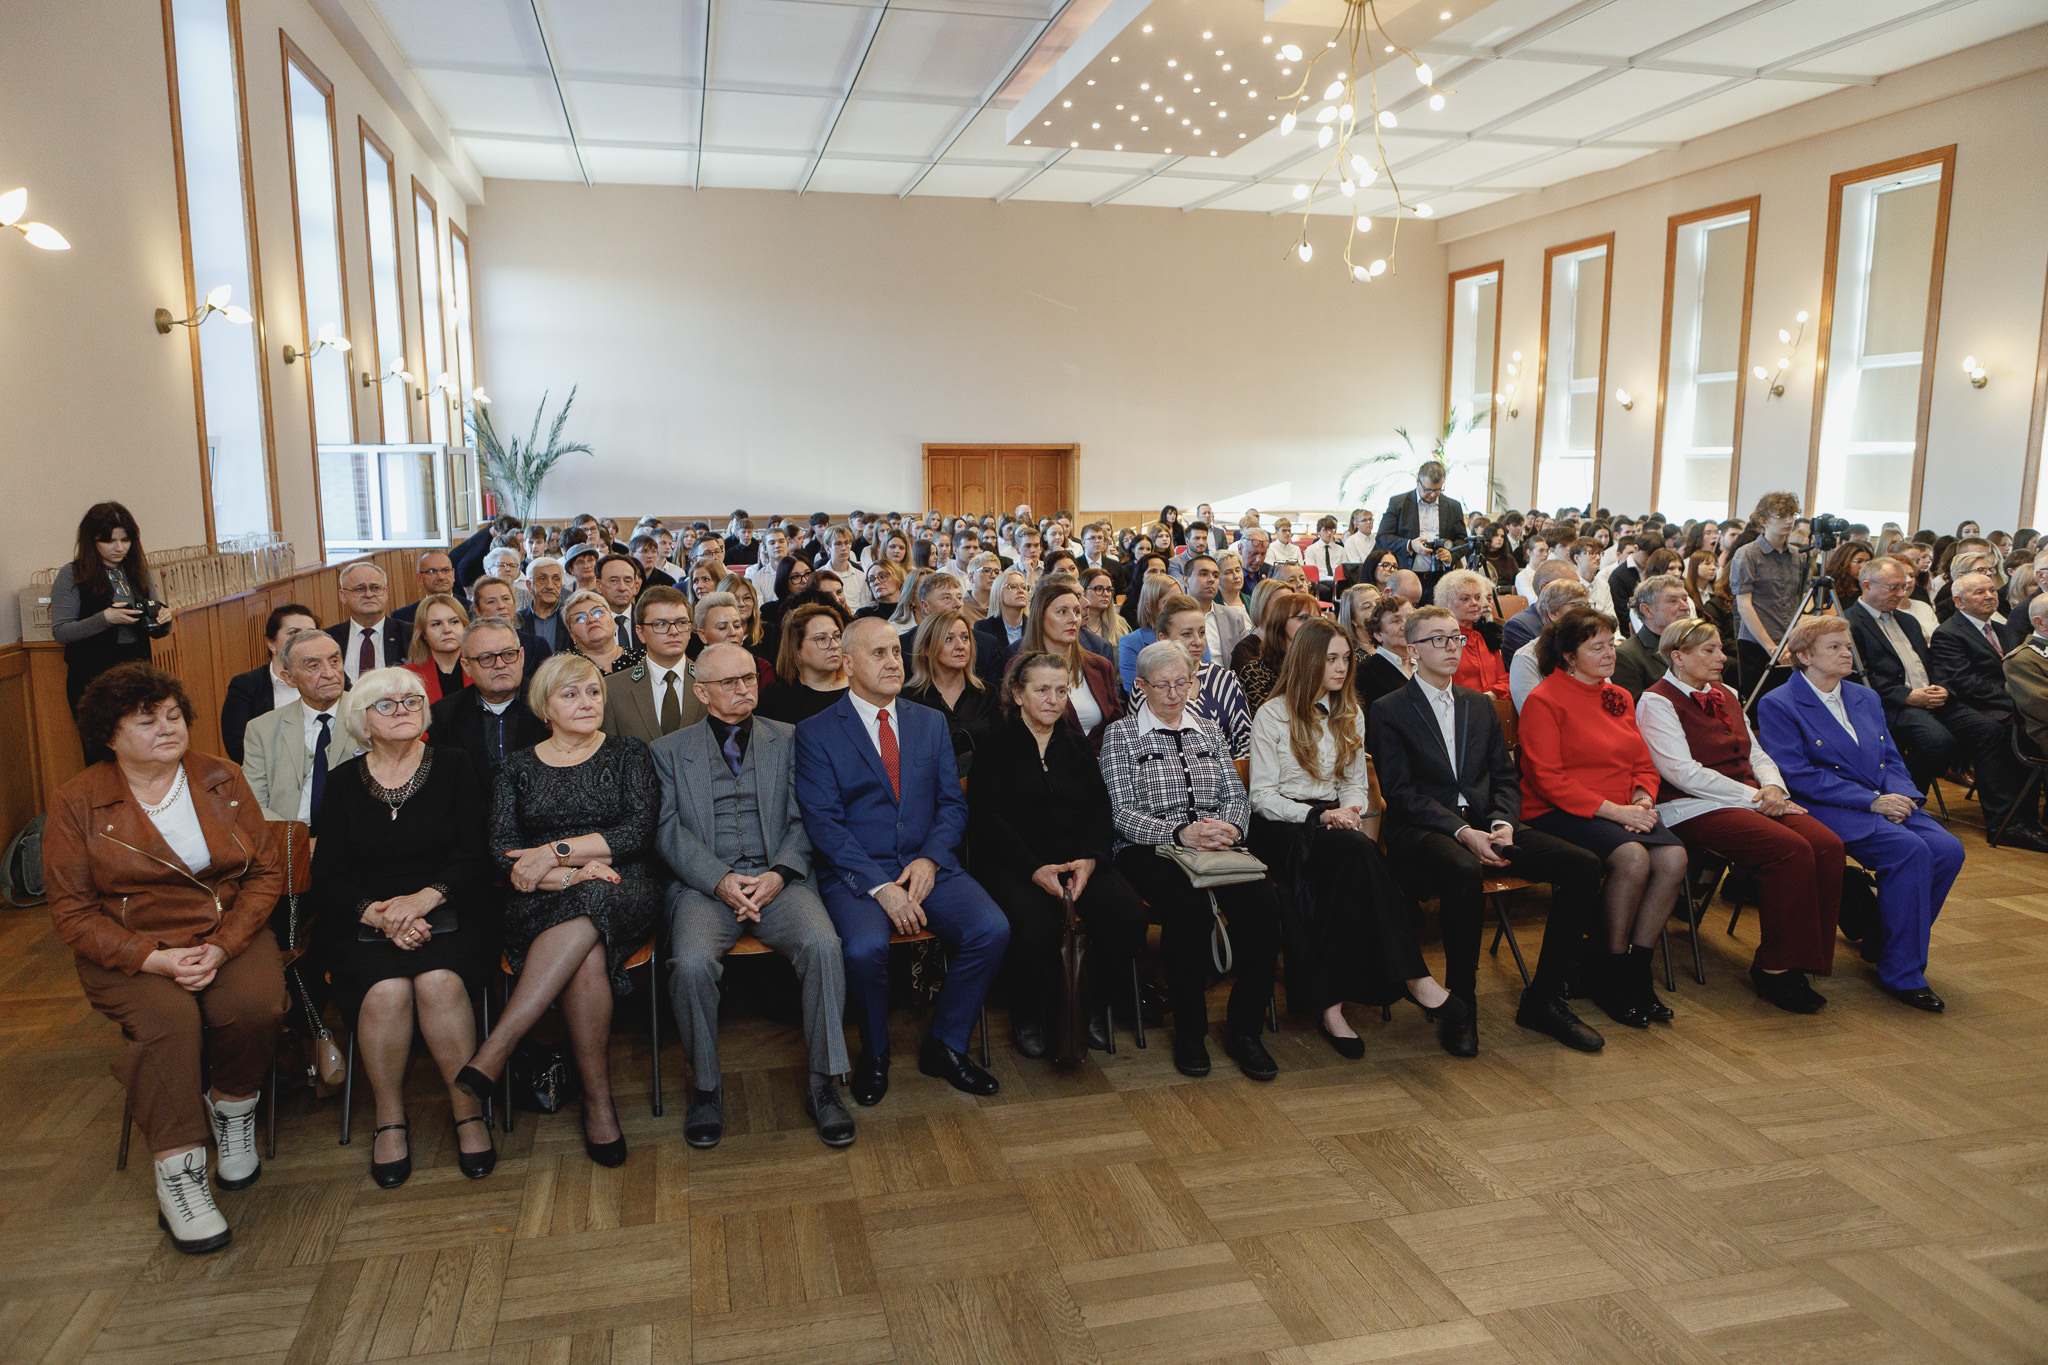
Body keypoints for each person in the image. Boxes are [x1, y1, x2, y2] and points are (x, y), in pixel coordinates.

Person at [43, 664, 285, 1254]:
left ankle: (232, 1111)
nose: (168, 729)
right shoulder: (77, 800)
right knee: (169, 1024)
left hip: (224, 929)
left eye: (174, 716)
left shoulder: (221, 776)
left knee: (256, 1005)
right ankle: (180, 1174)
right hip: (128, 945)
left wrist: (223, 944)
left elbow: (265, 873)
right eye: (147, 722)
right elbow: (73, 914)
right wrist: (154, 960)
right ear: (110, 734)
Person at [456, 653, 662, 1167]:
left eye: (593, 691)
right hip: (541, 893)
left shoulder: (629, 754)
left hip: (621, 883)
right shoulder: (516, 767)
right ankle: (599, 1103)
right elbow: (504, 853)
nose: (587, 702)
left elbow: (635, 834)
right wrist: (569, 874)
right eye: (570, 694)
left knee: (594, 900)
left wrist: (555, 852)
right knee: (587, 954)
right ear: (544, 707)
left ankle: (498, 1046)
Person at [1369, 607, 1605, 1056]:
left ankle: (1544, 998)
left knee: (1582, 865)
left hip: (1487, 823)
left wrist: (1501, 824)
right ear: (1413, 650)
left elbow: (1505, 778)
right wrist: (1463, 832)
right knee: (1463, 868)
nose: (1451, 647)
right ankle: (1462, 1003)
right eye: (1438, 639)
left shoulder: (1478, 704)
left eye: (1455, 638)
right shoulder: (1389, 709)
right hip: (1424, 829)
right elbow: (1400, 793)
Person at [793, 618, 1008, 1104]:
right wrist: (881, 887)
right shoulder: (815, 732)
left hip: (927, 866)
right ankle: (875, 1054)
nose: (894, 662)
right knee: (864, 950)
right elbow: (825, 826)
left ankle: (945, 1044)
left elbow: (952, 805)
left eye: (896, 651)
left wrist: (931, 859)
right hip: (858, 875)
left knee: (991, 929)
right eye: (879, 653)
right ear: (848, 664)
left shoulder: (928, 722)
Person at [651, 642, 854, 1150]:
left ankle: (824, 1083)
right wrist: (719, 879)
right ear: (701, 692)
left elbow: (808, 817)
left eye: (748, 678)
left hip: (778, 879)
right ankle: (706, 1088)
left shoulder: (790, 738)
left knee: (824, 945)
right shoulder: (668, 751)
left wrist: (780, 873)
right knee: (690, 963)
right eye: (729, 682)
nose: (744, 689)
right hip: (705, 888)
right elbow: (669, 832)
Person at [311, 668, 495, 1186]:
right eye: (386, 704)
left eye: (412, 701)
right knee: (387, 991)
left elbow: (475, 852)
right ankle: (389, 1119)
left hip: (452, 906)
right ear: (362, 721)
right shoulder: (343, 782)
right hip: (365, 920)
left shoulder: (455, 765)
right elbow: (328, 875)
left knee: (438, 982)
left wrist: (420, 902)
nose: (403, 710)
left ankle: (468, 1112)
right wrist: (380, 915)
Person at [1249, 620, 1464, 1058]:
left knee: (1349, 868)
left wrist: (1346, 810)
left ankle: (1332, 1008)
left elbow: (1353, 783)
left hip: (1334, 825)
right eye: (1331, 658)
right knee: (1359, 853)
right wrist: (1320, 816)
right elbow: (1262, 798)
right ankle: (1414, 977)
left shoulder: (1349, 711)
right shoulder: (1272, 714)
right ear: (1308, 660)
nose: (1342, 667)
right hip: (1282, 826)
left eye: (1346, 658)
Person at [1636, 618, 1845, 1012]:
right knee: (1789, 850)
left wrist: (1774, 787)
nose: (1722, 657)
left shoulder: (1726, 692)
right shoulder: (1656, 701)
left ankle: (1805, 957)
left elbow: (1756, 752)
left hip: (1748, 796)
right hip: (1690, 805)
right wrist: (1756, 797)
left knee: (1827, 845)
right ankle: (1774, 967)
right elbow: (1682, 773)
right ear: (1678, 657)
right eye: (1709, 650)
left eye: (1720, 648)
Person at [1757, 617, 1964, 1011]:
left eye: (1847, 646)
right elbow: (1798, 774)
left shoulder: (1864, 696)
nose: (1846, 654)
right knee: (1910, 851)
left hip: (1884, 798)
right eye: (1834, 647)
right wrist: (1870, 802)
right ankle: (1902, 971)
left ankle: (1885, 939)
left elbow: (1891, 757)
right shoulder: (1779, 703)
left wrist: (1902, 796)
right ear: (1804, 656)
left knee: (1949, 850)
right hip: (1828, 807)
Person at [1099, 641, 1282, 1081]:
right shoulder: (1121, 735)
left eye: (1182, 683)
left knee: (1263, 904)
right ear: (1141, 687)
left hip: (1216, 845)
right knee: (1188, 909)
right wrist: (1180, 833)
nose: (1174, 694)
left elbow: (1235, 795)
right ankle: (1191, 1032)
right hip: (1150, 847)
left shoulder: (1209, 730)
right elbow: (1120, 814)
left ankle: (1245, 1030)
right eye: (1162, 685)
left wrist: (1232, 829)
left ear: (1194, 682)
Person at [969, 651, 1149, 1058]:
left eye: (1061, 690)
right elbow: (987, 819)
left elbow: (1100, 808)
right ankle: (1028, 1014)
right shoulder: (994, 744)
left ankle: (1088, 1007)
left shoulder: (1076, 745)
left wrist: (1090, 859)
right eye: (1042, 690)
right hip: (1017, 862)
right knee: (1036, 926)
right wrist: (1033, 868)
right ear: (1018, 694)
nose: (1053, 700)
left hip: (1076, 859)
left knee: (1129, 918)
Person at [1520, 605, 1689, 1029]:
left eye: (1611, 645)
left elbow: (1642, 763)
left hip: (1625, 809)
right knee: (1633, 857)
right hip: (1559, 810)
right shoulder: (1545, 699)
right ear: (1569, 656)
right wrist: (1617, 812)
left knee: (1674, 858)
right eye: (1596, 647)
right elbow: (1546, 778)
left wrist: (1643, 800)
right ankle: (1609, 970)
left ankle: (1637, 968)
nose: (1610, 653)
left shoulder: (1619, 696)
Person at [1928, 570, 2048, 849]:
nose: (1989, 596)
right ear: (1958, 601)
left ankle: (2027, 818)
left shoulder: (2003, 629)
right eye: (1979, 592)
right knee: (1998, 732)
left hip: (2000, 702)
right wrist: (2016, 699)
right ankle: (2004, 822)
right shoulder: (1948, 633)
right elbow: (1965, 683)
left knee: (2028, 726)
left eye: (1992, 590)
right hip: (1963, 705)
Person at [50, 502, 176, 726]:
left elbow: (155, 625)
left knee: (144, 736)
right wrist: (106, 619)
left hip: (138, 671)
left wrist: (163, 618)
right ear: (91, 541)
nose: (119, 548)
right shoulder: (72, 574)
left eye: (125, 540)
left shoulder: (137, 570)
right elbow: (62, 632)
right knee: (104, 740)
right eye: (109, 541)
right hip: (93, 677)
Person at [241, 628, 354, 824]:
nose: (329, 673)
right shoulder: (262, 730)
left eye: (334, 661)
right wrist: (293, 838)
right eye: (313, 666)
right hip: (289, 836)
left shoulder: (369, 716)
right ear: (289, 679)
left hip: (355, 837)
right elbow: (253, 804)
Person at [430, 617, 550, 780]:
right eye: (486, 658)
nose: (500, 664)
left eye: (509, 654)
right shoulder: (444, 715)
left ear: (521, 657)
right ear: (466, 666)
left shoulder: (548, 705)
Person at [1012, 577, 1122, 752]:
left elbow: (1116, 724)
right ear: (1040, 617)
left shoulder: (1101, 666)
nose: (1073, 619)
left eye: (1077, 612)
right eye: (1062, 612)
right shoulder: (1021, 667)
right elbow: (1015, 730)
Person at [1152, 594, 1255, 763]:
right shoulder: (1149, 686)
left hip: (1227, 771)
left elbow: (1245, 739)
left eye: (1202, 632)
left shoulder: (1226, 679)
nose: (1198, 641)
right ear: (1163, 638)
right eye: (1187, 634)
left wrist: (1224, 771)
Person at [901, 609, 1000, 770]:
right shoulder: (908, 700)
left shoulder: (988, 694)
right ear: (927, 648)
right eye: (949, 639)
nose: (960, 646)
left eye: (965, 638)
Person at [219, 603, 318, 765]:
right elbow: (237, 745)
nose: (304, 640)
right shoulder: (246, 686)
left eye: (311, 634)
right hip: (270, 771)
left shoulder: (329, 677)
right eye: (294, 633)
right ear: (271, 643)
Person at [600, 586, 700, 743]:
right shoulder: (613, 689)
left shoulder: (711, 681)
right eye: (660, 624)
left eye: (681, 622)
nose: (674, 631)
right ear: (640, 632)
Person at [1728, 492, 1805, 690]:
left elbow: (1802, 601)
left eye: (1792, 515)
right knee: (1758, 698)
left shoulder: (1798, 556)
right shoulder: (1747, 554)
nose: (1789, 521)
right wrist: (1771, 646)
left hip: (1789, 640)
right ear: (1763, 521)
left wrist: (1791, 641)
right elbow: (1744, 605)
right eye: (1781, 516)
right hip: (1756, 642)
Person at [1376, 461, 1467, 598]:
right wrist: (1410, 544)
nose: (1433, 494)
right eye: (1428, 490)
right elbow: (1382, 537)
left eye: (1438, 490)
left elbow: (1463, 540)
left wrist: (1451, 555)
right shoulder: (1399, 503)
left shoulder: (1453, 506)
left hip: (1440, 578)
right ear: (1418, 482)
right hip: (1406, 576)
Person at [760, 602, 852, 724]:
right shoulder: (774, 699)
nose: (834, 645)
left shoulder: (860, 688)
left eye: (837, 636)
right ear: (796, 649)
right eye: (821, 639)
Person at [1232, 589, 1318, 712]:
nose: (1315, 625)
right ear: (1281, 621)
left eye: (1318, 618)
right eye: (1304, 618)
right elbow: (1268, 717)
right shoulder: (1255, 672)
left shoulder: (1321, 664)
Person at [1611, 574, 1692, 698]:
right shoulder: (1627, 657)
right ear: (1647, 610)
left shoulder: (1696, 645)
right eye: (1673, 601)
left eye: (1685, 600)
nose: (1685, 607)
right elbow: (1637, 707)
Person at [327, 562, 409, 684]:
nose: (369, 594)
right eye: (360, 589)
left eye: (375, 588)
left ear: (386, 593)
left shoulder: (409, 635)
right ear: (343, 596)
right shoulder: (329, 639)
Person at [1434, 569, 1508, 698]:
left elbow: (1504, 679)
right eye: (1465, 599)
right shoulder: (1440, 641)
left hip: (1494, 705)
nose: (1474, 603)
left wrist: (1492, 695)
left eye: (1477, 597)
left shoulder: (1487, 635)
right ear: (1446, 603)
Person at [402, 593, 471, 704]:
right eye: (436, 624)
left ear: (465, 626)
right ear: (424, 633)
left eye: (454, 622)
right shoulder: (407, 676)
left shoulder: (482, 668)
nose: (447, 629)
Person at [561, 588, 641, 676]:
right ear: (572, 634)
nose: (591, 619)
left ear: (612, 620)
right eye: (580, 618)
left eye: (598, 612)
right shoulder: (561, 667)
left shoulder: (641, 659)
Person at [1354, 595, 1415, 706]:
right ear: (1378, 634)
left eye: (1410, 618)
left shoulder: (1426, 661)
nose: (1406, 626)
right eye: (1396, 621)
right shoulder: (1364, 673)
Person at [972, 567, 1031, 673]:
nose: (1021, 591)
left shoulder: (1036, 627)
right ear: (998, 592)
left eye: (1024, 587)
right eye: (1012, 587)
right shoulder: (983, 628)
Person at [393, 549, 468, 628]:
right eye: (432, 571)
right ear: (420, 578)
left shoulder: (471, 610)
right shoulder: (402, 617)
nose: (441, 577)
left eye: (445, 570)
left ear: (453, 574)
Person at [518, 556, 569, 653]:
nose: (550, 586)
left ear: (561, 585)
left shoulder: (570, 618)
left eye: (556, 579)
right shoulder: (517, 620)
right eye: (542, 579)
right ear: (529, 585)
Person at [1081, 566, 1130, 645]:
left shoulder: (1120, 625)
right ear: (1083, 591)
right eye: (1099, 589)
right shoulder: (1073, 624)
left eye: (1109, 590)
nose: (1106, 594)